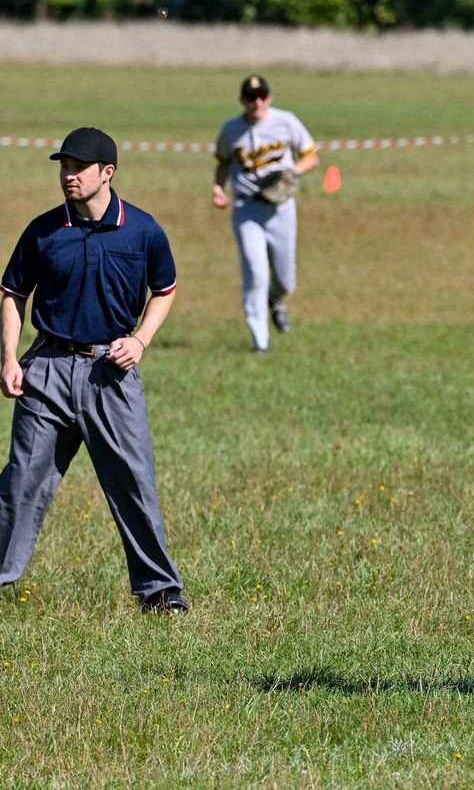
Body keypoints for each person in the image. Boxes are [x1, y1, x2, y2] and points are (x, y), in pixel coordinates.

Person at [0, 127, 188, 612]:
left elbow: (164, 290)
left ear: (107, 173)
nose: (68, 175)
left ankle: (161, 593)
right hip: (48, 370)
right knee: (21, 480)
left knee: (134, 481)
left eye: (77, 167)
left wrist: (140, 340)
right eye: (63, 166)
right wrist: (8, 358)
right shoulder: (43, 230)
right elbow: (12, 294)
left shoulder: (142, 230)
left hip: (112, 374)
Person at [212, 75, 318, 353]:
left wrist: (293, 171)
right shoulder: (231, 129)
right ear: (242, 100)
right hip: (247, 208)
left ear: (269, 97)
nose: (257, 102)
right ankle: (261, 341)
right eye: (250, 97)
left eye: (262, 96)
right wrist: (217, 187)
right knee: (256, 273)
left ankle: (276, 299)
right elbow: (223, 162)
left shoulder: (286, 121)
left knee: (286, 279)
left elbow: (311, 156)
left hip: (281, 207)